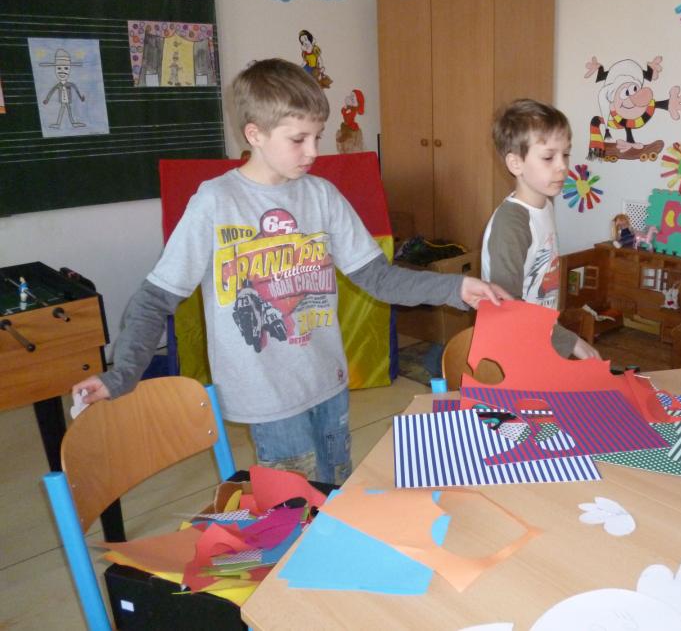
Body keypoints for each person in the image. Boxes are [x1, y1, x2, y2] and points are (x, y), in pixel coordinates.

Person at [73, 58, 509, 484]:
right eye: (298, 139)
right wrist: (121, 374)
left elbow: (378, 277)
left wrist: (456, 287)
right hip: (266, 395)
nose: (313, 152)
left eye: (317, 136)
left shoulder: (322, 195)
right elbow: (154, 299)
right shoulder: (215, 203)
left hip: (327, 381)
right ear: (255, 134)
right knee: (295, 502)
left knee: (334, 483)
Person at [482, 98, 600, 361]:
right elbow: (506, 305)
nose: (562, 166)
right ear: (516, 164)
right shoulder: (511, 225)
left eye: (565, 154)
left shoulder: (545, 204)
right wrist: (568, 340)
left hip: (540, 335)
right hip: (512, 346)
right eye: (548, 157)